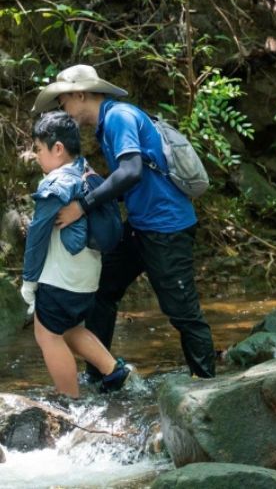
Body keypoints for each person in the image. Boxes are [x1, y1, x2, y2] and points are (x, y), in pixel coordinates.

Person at [33, 64, 217, 379]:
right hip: (142, 227)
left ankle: (207, 388)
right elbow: (129, 180)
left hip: (166, 229)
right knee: (103, 292)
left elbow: (131, 171)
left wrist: (84, 205)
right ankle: (101, 377)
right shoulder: (110, 122)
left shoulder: (119, 117)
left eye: (64, 102)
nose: (64, 110)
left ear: (80, 94)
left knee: (182, 312)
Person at [21, 112, 131, 397]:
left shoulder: (55, 183)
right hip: (87, 279)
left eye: (38, 149)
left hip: (60, 279)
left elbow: (37, 236)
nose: (37, 157)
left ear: (57, 148)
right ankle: (114, 371)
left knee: (46, 335)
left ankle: (70, 403)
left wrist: (29, 282)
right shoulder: (88, 173)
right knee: (68, 329)